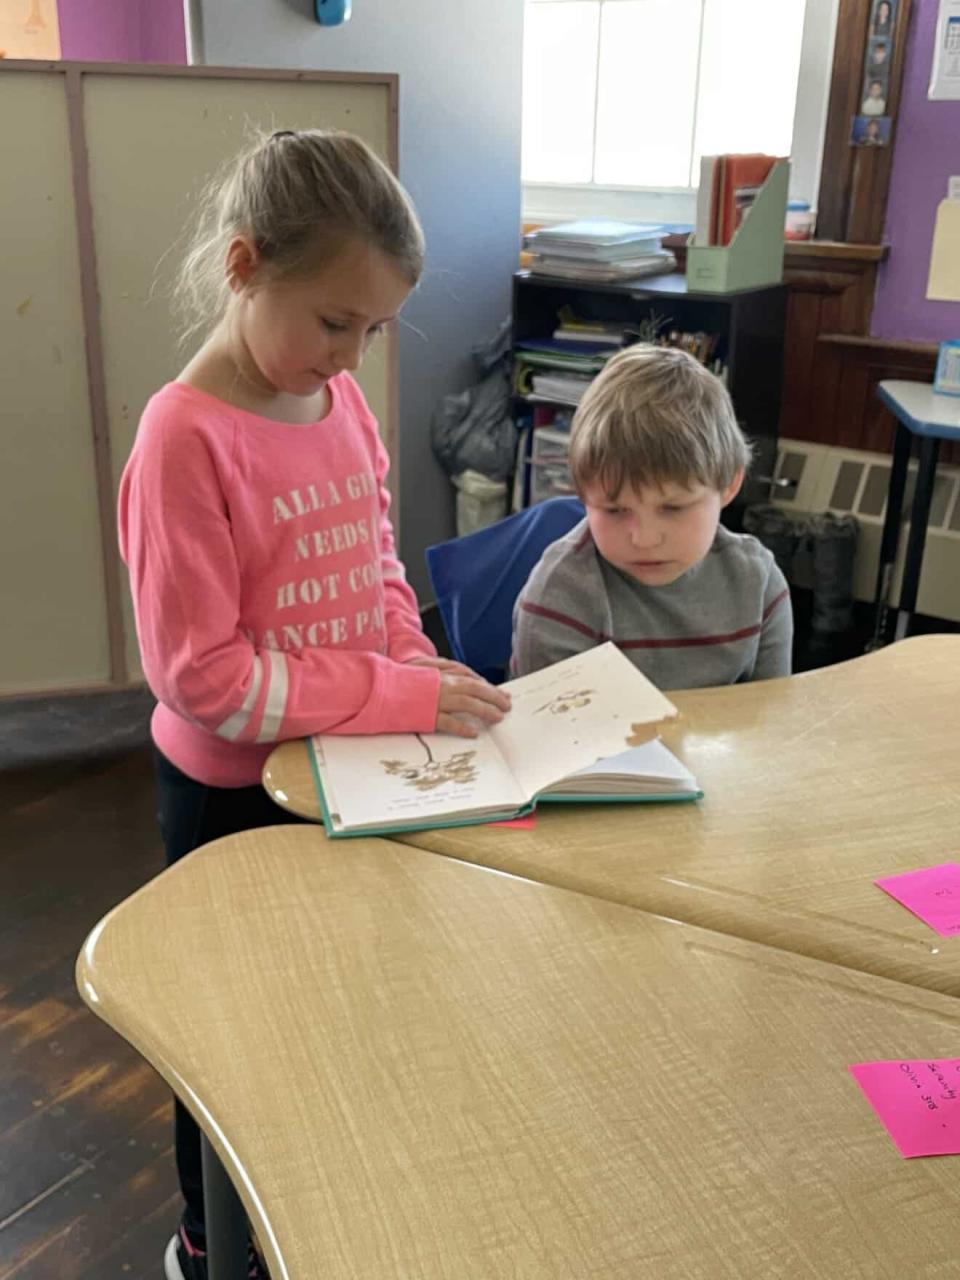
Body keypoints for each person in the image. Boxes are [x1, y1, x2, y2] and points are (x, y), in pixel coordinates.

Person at [118, 128, 509, 1280]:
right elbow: (205, 676)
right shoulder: (182, 436)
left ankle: (318, 1224)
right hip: (228, 798)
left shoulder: (338, 406)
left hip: (347, 773)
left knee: (335, 1027)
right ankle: (209, 1243)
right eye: (335, 321)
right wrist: (392, 694)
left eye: (375, 328)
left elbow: (376, 565)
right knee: (230, 1044)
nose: (351, 353)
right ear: (245, 268)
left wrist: (418, 666)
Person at [511, 344, 793, 687]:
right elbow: (555, 734)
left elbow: (770, 719)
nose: (644, 539)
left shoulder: (759, 583)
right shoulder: (558, 596)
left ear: (729, 485)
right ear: (582, 493)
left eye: (673, 508)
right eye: (615, 510)